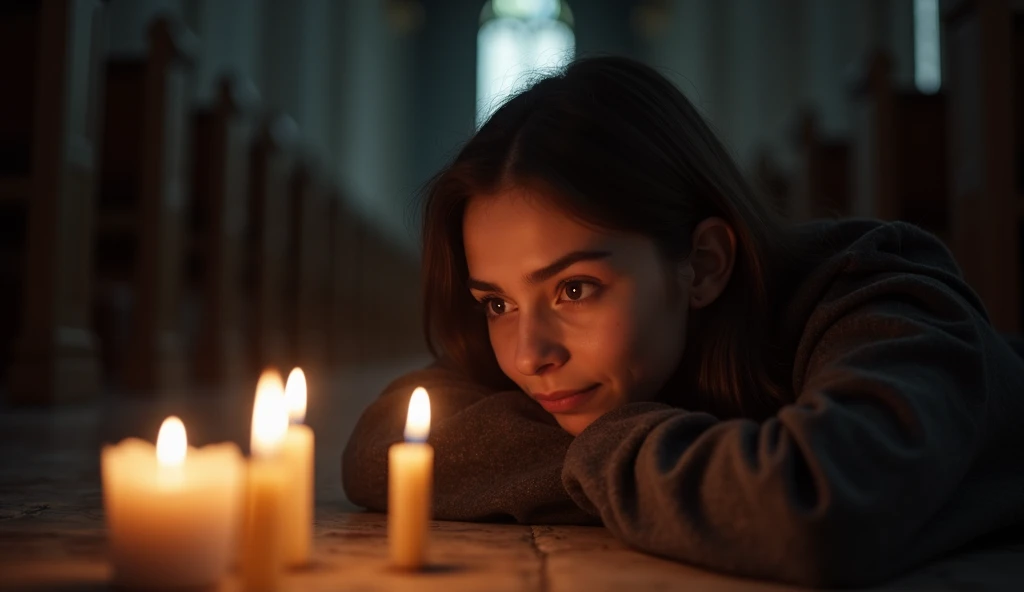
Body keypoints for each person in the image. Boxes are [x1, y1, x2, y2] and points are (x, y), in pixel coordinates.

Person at [341, 56, 1024, 587]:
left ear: (701, 265)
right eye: (497, 303)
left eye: (575, 288)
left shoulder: (879, 295)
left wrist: (598, 451)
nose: (527, 355)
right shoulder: (589, 362)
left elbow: (811, 509)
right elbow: (384, 447)